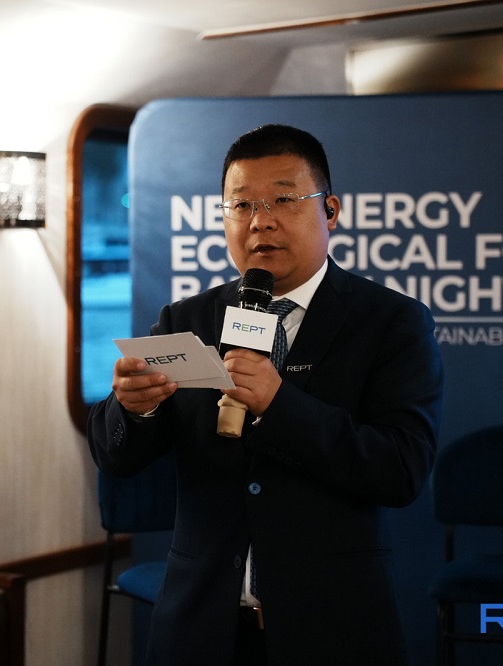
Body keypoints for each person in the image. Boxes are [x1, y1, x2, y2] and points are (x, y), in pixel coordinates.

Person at [87, 124, 443, 665]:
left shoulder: (391, 322)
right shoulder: (187, 319)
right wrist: (134, 408)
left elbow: (401, 469)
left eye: (284, 200)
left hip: (331, 630)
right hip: (200, 631)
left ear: (330, 210)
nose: (261, 221)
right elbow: (116, 456)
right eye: (241, 205)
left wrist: (280, 406)